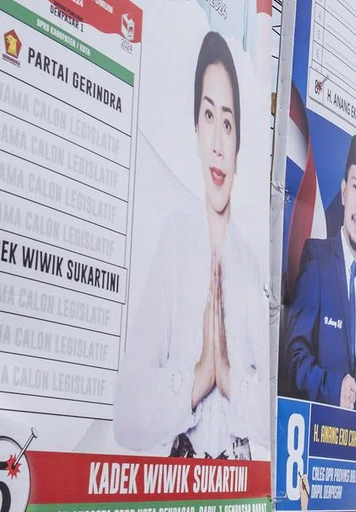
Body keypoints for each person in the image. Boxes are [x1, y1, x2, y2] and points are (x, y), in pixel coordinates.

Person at [113, 32, 267, 459]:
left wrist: (230, 377)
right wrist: (200, 376)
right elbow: (126, 414)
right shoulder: (174, 242)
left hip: (240, 502)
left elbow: (277, 418)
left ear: (239, 145)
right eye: (208, 115)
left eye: (229, 123)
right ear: (195, 127)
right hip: (178, 500)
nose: (218, 143)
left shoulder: (253, 266)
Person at [283, 134, 356, 412]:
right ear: (342, 193)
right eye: (354, 188)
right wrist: (331, 386)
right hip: (314, 433)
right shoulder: (318, 259)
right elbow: (294, 356)